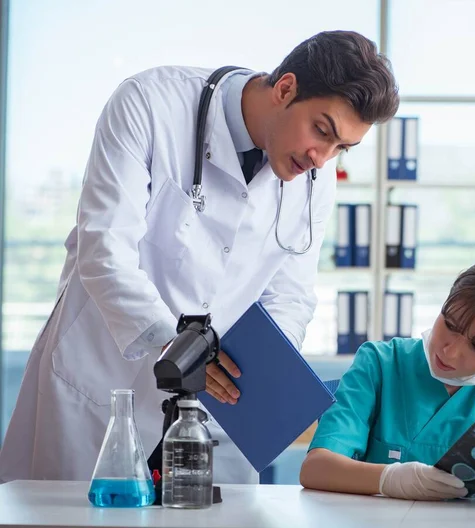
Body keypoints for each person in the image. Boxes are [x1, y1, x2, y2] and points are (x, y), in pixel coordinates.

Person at [0, 30, 399, 484]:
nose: (322, 158)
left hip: (214, 411)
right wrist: (180, 351)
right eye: (322, 131)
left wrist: (258, 373)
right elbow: (104, 250)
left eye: (342, 147)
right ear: (285, 88)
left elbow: (290, 293)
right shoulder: (149, 104)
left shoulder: (314, 178)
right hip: (105, 384)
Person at [300, 254, 475, 500]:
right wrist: (390, 479)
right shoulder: (381, 363)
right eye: (450, 324)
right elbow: (315, 469)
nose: (450, 352)